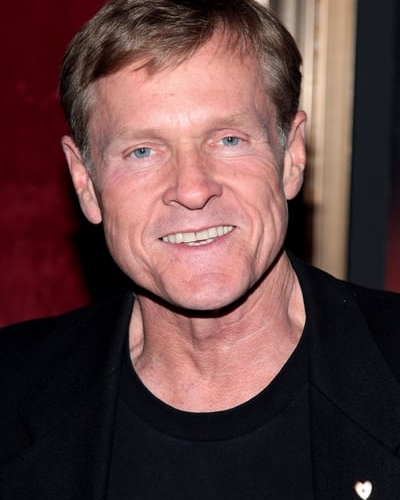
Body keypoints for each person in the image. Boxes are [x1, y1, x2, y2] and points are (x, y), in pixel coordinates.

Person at [1, 1, 400, 498]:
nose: (192, 189)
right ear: (85, 182)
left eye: (228, 140)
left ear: (291, 156)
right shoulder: (12, 389)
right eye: (143, 151)